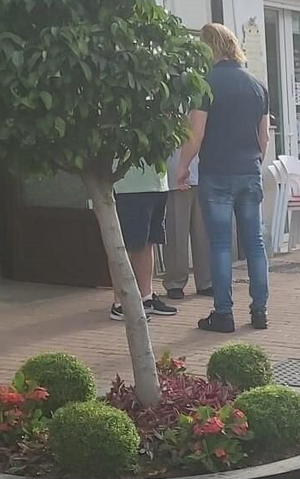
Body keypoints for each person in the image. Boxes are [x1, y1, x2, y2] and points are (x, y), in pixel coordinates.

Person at [175, 22, 271, 334]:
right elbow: (264, 137)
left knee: (220, 245)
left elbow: (196, 133)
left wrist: (183, 166)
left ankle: (224, 314)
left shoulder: (205, 85)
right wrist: (255, 162)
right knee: (254, 243)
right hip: (249, 172)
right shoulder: (258, 86)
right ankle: (260, 312)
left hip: (217, 173)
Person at [109, 164, 180, 321]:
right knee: (126, 245)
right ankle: (120, 303)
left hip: (158, 184)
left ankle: (146, 297)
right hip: (129, 186)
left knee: (148, 241)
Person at [161, 149, 210, 301]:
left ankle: (207, 281)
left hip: (204, 175)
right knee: (176, 234)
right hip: (175, 176)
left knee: (204, 234)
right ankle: (175, 282)